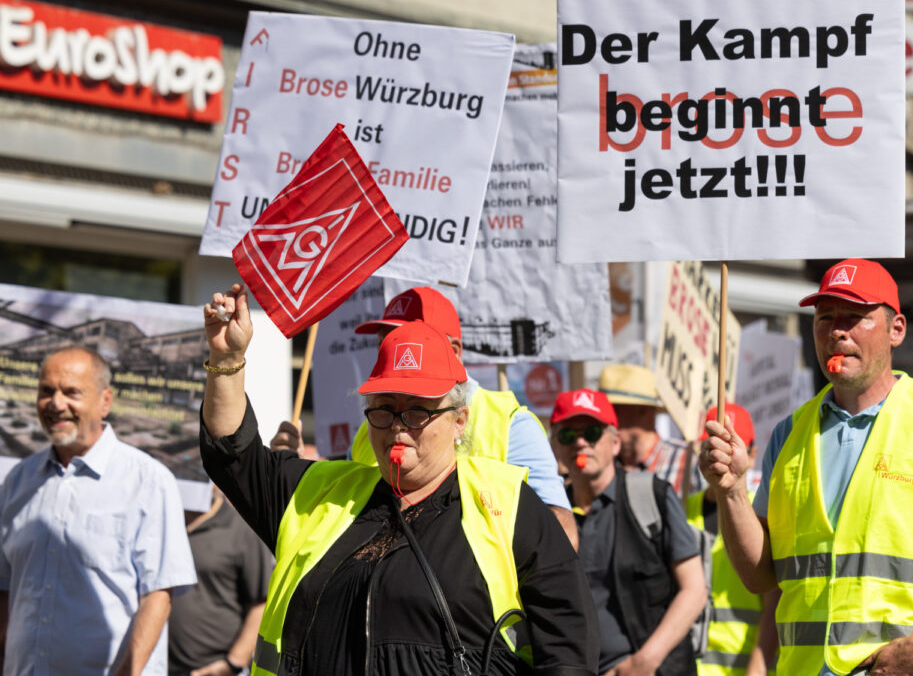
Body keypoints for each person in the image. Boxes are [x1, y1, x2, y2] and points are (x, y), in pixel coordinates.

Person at [200, 285, 597, 675]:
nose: (398, 427)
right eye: (385, 409)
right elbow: (232, 454)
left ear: (459, 421)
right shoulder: (319, 492)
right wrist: (227, 359)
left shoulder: (508, 503)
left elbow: (566, 642)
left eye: (419, 411)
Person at [700, 258, 913, 676]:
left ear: (896, 329)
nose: (836, 331)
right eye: (825, 317)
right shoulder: (787, 433)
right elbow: (760, 578)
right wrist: (732, 490)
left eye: (854, 317)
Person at [0, 346, 196, 674]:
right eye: (46, 391)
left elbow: (159, 594)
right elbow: (5, 588)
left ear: (105, 401)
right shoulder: (18, 481)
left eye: (71, 392)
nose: (56, 403)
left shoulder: (146, 480)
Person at [347, 286, 578, 548]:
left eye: (413, 343)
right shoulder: (370, 428)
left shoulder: (511, 425)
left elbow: (561, 538)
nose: (394, 357)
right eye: (386, 346)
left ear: (455, 351)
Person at [548, 387, 708, 675]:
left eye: (592, 433)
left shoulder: (652, 495)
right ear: (555, 445)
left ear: (615, 442)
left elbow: (694, 590)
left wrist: (644, 662)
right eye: (568, 435)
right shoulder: (549, 514)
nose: (581, 443)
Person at [686, 403, 777, 676]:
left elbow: (774, 606)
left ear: (751, 454)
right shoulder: (679, 511)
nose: (721, 458)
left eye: (732, 448)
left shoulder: (762, 516)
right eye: (712, 447)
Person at [168, 487, 273, 676]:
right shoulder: (160, 523)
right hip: (158, 666)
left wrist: (232, 664)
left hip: (214, 667)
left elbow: (261, 603)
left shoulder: (243, 528)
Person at [598, 363, 700, 496]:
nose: (603, 419)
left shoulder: (686, 461)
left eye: (614, 409)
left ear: (643, 411)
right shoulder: (603, 463)